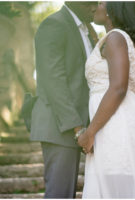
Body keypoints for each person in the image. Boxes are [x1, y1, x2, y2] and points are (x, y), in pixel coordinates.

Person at [77, 1, 135, 198]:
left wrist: (90, 132)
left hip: (115, 123)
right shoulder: (120, 39)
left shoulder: (116, 38)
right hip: (116, 119)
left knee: (116, 187)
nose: (95, 5)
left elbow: (118, 88)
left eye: (100, 2)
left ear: (112, 9)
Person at [30, 1, 98, 198]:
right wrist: (78, 130)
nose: (94, 6)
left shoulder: (87, 30)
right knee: (59, 194)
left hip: (79, 126)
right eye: (90, 2)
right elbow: (54, 82)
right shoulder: (54, 24)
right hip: (60, 126)